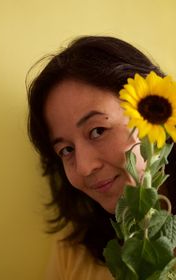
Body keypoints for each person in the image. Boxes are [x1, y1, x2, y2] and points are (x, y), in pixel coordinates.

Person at [26, 36, 176, 280]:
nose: (85, 167)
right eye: (66, 150)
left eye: (98, 131)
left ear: (152, 113)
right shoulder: (73, 255)